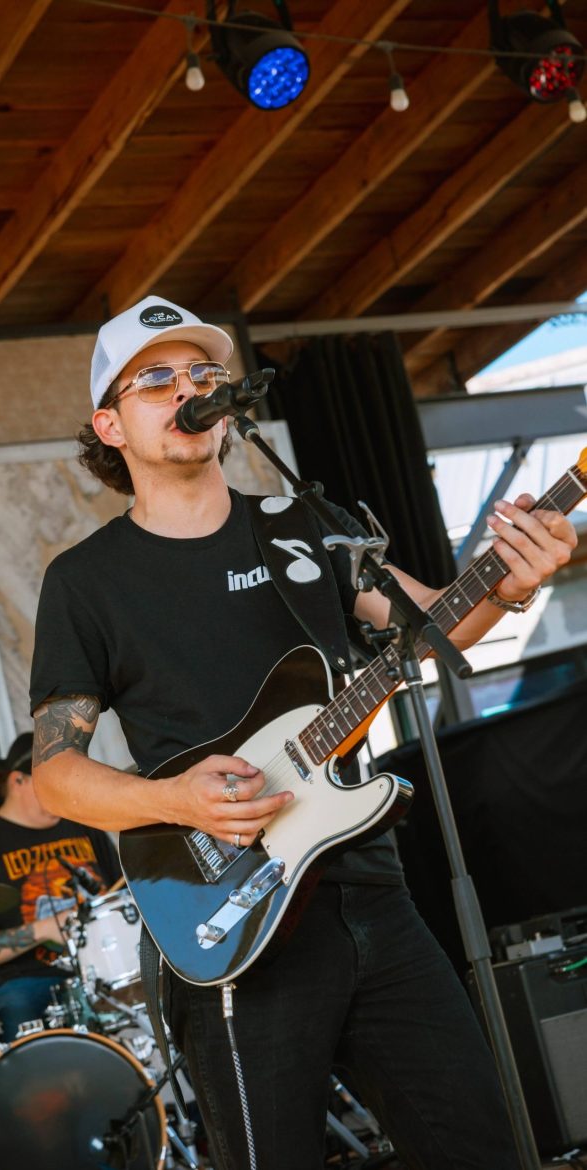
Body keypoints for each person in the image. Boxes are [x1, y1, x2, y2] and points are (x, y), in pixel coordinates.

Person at [29, 295, 577, 1170]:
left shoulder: (301, 525)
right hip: (232, 918)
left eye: (204, 373)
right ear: (111, 425)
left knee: (481, 1144)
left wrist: (512, 585)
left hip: (370, 892)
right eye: (156, 380)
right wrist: (177, 800)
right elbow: (56, 772)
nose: (189, 390)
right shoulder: (86, 582)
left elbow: (431, 629)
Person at [0, 730, 122, 1041]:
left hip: (106, 967)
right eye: (53, 782)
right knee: (19, 1003)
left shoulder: (85, 826)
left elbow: (119, 895)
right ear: (18, 781)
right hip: (29, 980)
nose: (64, 790)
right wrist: (44, 929)